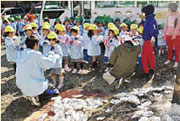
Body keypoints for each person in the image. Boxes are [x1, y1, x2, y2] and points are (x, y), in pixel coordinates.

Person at [14, 36, 57, 106]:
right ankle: (39, 96)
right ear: (35, 45)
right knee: (49, 86)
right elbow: (50, 63)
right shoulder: (35, 54)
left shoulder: (20, 53)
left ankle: (31, 95)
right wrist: (51, 53)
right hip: (35, 87)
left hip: (22, 87)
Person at [141, 4, 159, 77]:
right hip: (150, 40)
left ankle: (146, 72)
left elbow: (153, 29)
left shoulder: (150, 19)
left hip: (148, 40)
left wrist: (152, 36)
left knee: (144, 57)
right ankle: (152, 69)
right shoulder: (150, 18)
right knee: (151, 55)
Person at [164, 3, 180, 68]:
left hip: (177, 35)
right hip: (168, 34)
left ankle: (176, 61)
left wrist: (174, 35)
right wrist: (165, 34)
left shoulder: (178, 15)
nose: (168, 9)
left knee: (177, 48)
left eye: (169, 7)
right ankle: (169, 59)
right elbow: (166, 25)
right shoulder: (168, 15)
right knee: (169, 48)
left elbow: (178, 26)